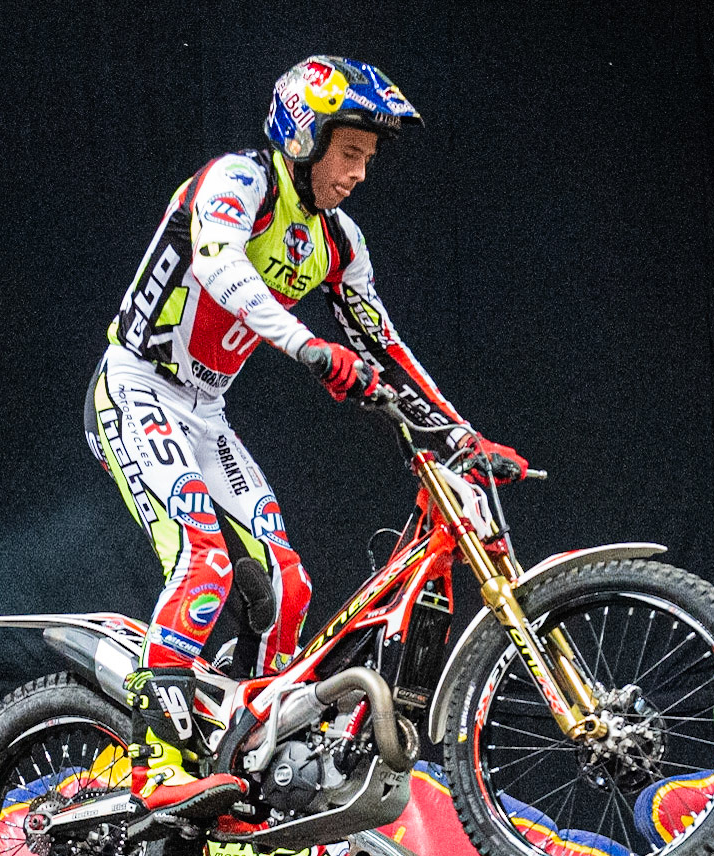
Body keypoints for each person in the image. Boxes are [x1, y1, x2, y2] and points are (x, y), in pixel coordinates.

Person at [85, 54, 527, 817]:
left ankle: (243, 750)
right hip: (133, 385)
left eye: (367, 159)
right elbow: (220, 267)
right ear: (303, 135)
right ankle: (152, 764)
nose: (358, 173)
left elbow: (386, 343)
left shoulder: (339, 242)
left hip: (204, 410)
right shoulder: (236, 182)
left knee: (288, 585)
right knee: (202, 563)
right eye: (349, 152)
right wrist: (308, 348)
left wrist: (461, 435)